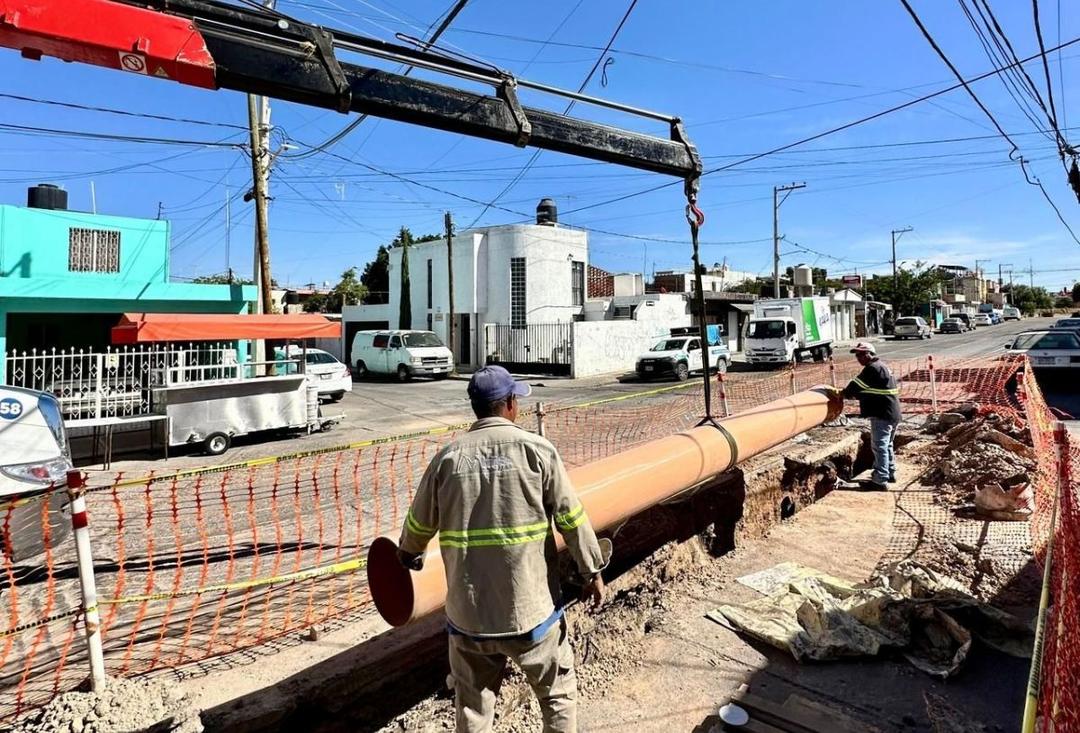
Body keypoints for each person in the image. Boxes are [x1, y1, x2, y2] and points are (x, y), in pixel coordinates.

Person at [396, 365, 607, 733]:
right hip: (531, 615)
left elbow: (417, 527)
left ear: (475, 407)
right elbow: (572, 520)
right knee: (557, 696)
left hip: (469, 621)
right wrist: (592, 572)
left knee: (474, 710)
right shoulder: (538, 452)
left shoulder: (447, 459)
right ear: (510, 403)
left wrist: (406, 554)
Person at [841, 342, 901, 491]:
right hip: (891, 413)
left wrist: (841, 394)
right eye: (857, 355)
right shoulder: (881, 366)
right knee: (887, 445)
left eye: (861, 354)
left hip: (882, 413)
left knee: (879, 446)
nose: (858, 357)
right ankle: (889, 472)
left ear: (870, 354)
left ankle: (880, 480)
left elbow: (852, 389)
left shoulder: (872, 369)